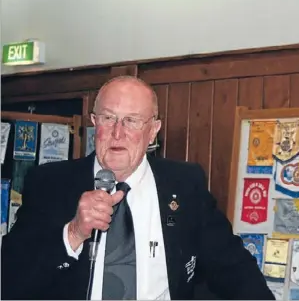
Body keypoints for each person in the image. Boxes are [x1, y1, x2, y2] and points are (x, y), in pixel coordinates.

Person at [1, 76, 275, 300]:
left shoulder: (184, 184)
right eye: (108, 118)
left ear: (153, 130)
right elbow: (10, 280)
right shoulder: (50, 184)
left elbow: (234, 269)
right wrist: (72, 234)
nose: (117, 133)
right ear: (94, 122)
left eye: (131, 121)